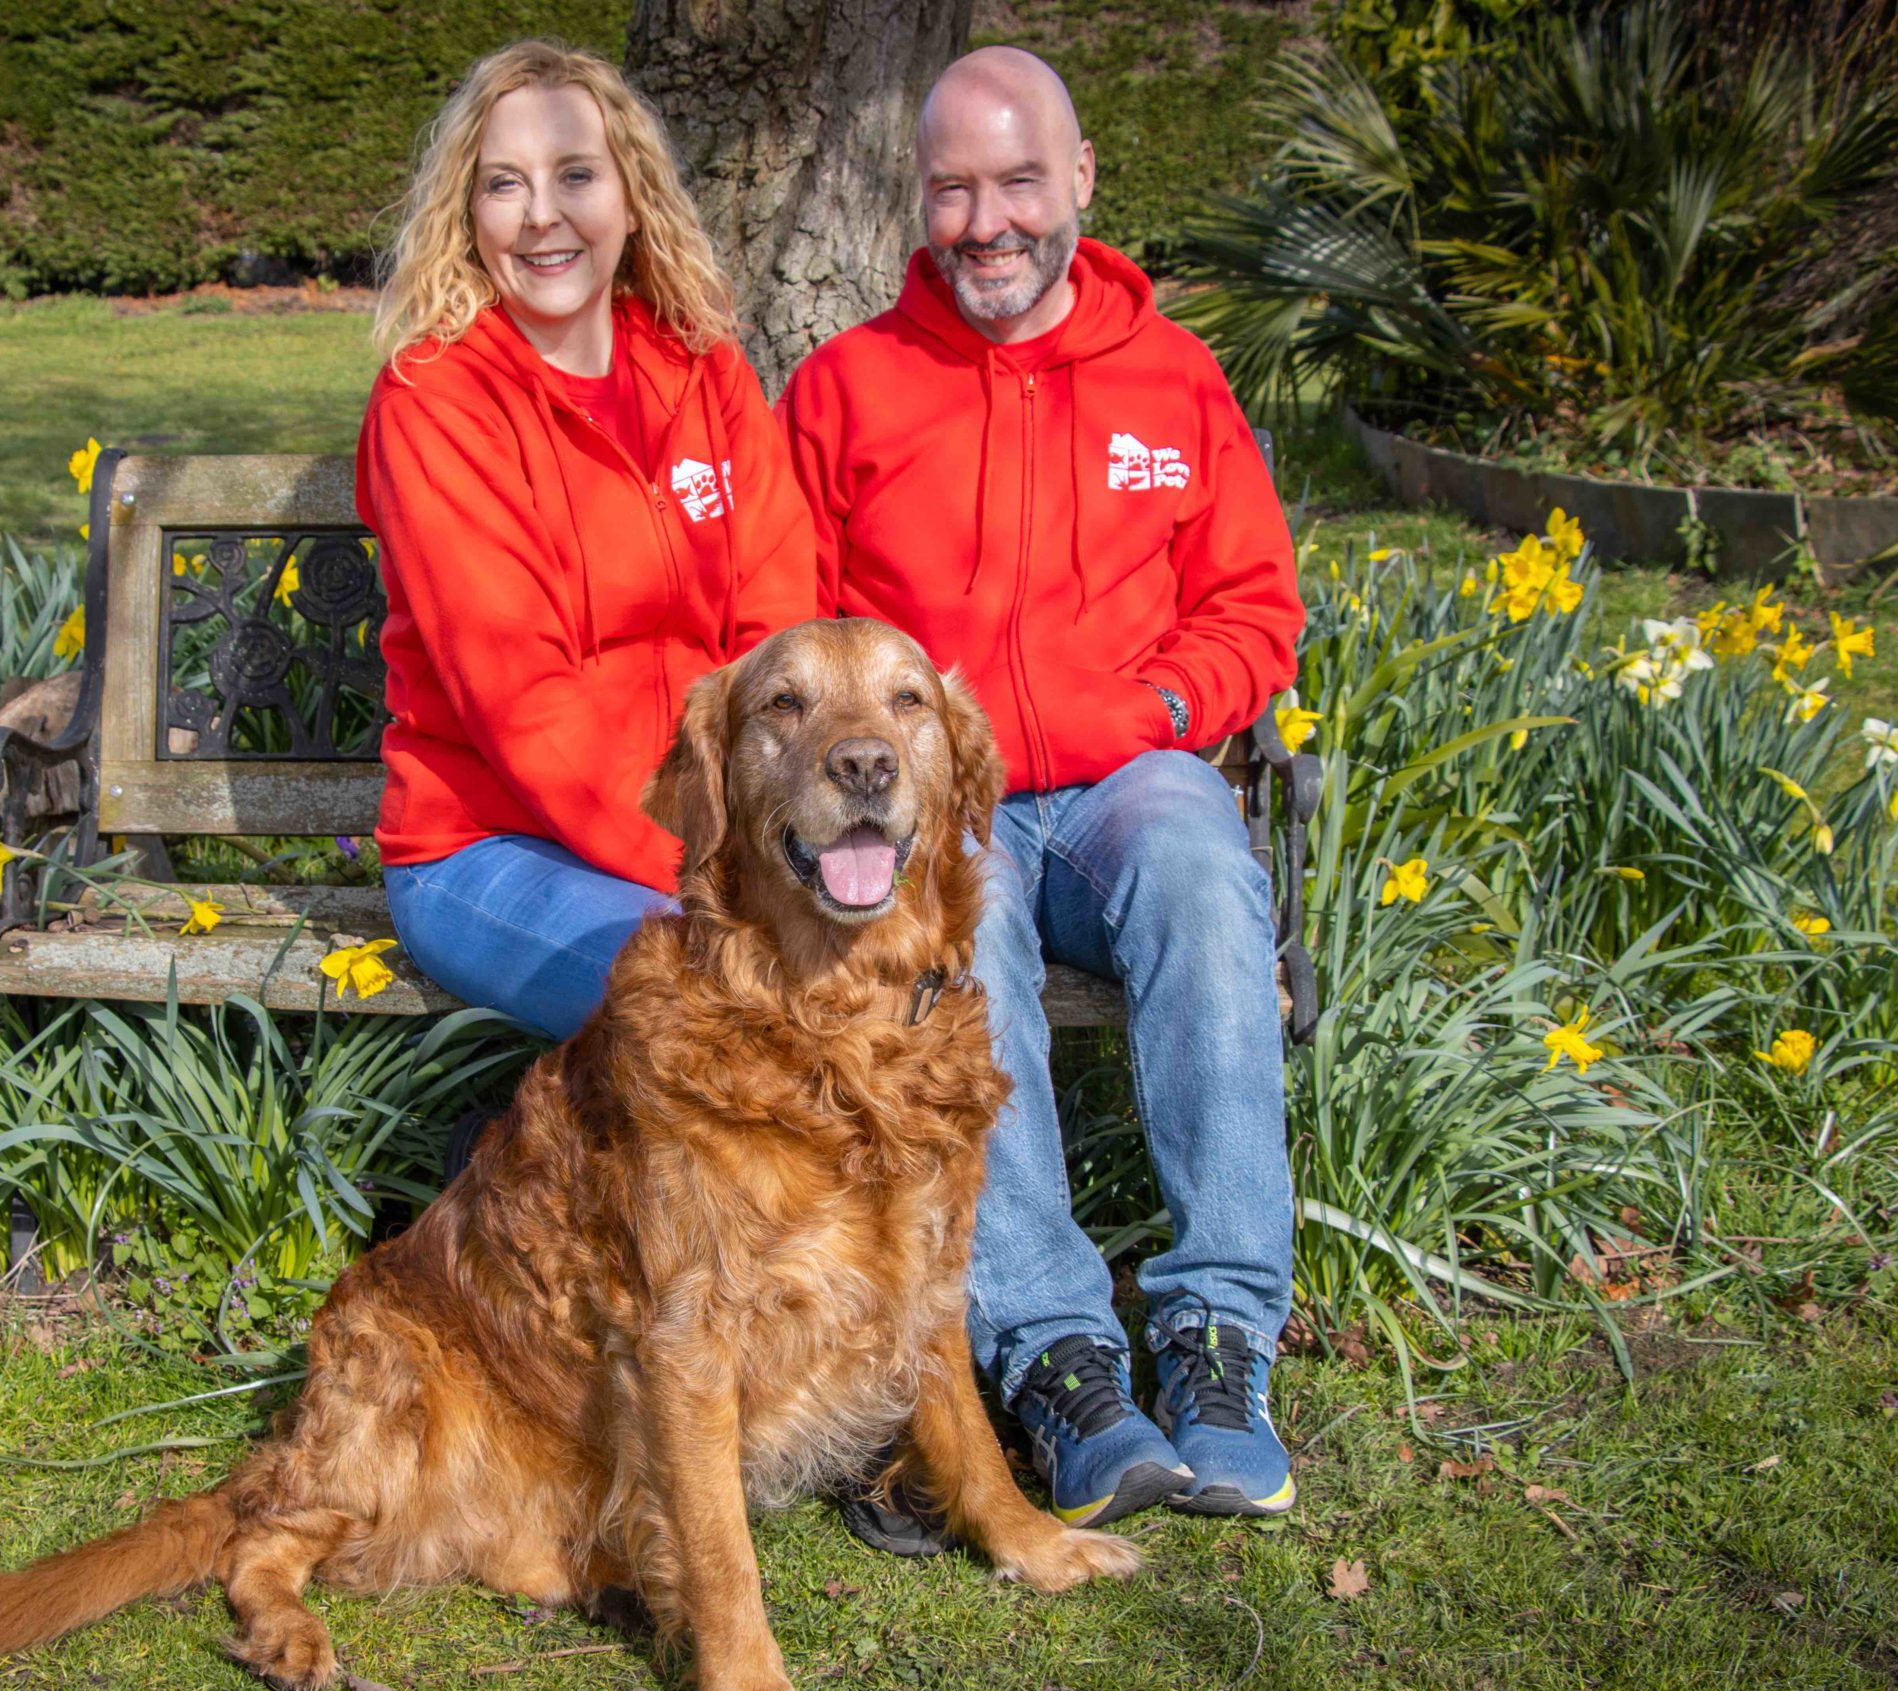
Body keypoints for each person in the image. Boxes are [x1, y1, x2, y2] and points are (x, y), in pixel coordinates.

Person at [779, 46, 1305, 1535]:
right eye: (953, 186)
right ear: (919, 198)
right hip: (940, 806)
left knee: (1204, 869)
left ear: (1078, 181)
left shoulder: (1174, 379)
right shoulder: (849, 388)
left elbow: (1255, 607)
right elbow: (788, 625)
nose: (986, 218)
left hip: (1129, 782)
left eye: (1019, 180)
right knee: (968, 912)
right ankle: (1059, 1356)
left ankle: (1218, 1341)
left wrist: (1157, 707)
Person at [361, 40, 815, 1042]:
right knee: (716, 1019)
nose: (540, 216)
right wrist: (710, 874)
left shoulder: (704, 370)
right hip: (487, 849)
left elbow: (776, 631)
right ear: (466, 212)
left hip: (708, 834)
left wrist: (773, 841)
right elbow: (523, 704)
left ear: (631, 191)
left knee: (873, 994)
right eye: (503, 186)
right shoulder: (436, 402)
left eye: (575, 175)